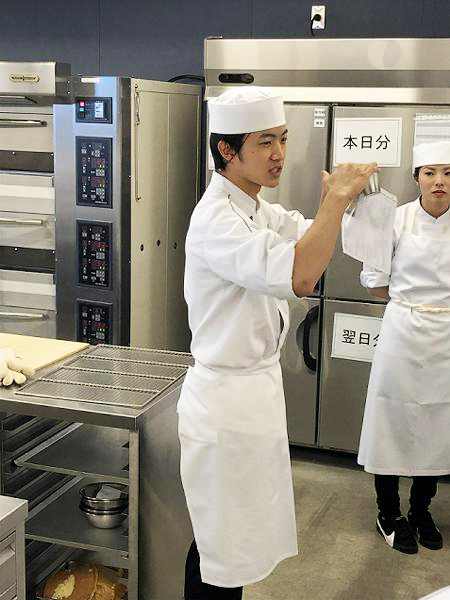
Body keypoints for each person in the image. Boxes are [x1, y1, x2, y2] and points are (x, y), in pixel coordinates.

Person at [178, 86, 377, 599]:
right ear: (227, 149)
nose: (279, 154)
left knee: (239, 542)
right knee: (219, 548)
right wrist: (336, 199)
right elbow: (301, 274)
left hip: (254, 397)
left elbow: (309, 235)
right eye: (265, 142)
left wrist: (353, 209)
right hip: (223, 404)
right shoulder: (216, 219)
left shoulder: (257, 209)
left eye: (283, 139)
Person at [358, 141, 450, 554]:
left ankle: (421, 510)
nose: (439, 181)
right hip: (403, 331)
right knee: (391, 419)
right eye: (430, 172)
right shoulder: (394, 220)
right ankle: (388, 512)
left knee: (437, 424)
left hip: (446, 336)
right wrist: (412, 304)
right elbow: (375, 282)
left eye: (448, 173)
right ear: (417, 178)